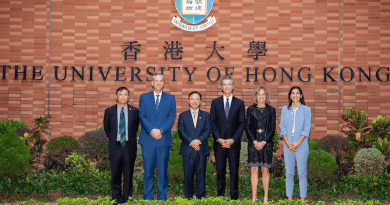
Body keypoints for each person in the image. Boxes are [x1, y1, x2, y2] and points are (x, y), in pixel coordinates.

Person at [138, 73, 176, 201]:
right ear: (152, 83)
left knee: (162, 171)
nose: (158, 83)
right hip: (148, 140)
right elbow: (142, 116)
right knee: (148, 171)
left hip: (163, 139)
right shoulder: (144, 97)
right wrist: (152, 130)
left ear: (163, 83)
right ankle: (148, 197)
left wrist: (160, 130)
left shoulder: (170, 98)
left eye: (161, 81)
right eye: (156, 81)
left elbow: (171, 117)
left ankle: (161, 197)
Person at [210, 76, 245, 200]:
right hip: (219, 143)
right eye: (224, 84)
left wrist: (233, 139)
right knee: (220, 171)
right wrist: (219, 139)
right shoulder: (215, 102)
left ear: (233, 86)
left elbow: (242, 123)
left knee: (234, 172)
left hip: (233, 144)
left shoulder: (239, 103)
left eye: (229, 84)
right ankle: (220, 196)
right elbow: (212, 123)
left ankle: (234, 198)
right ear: (221, 87)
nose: (227, 86)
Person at [103, 87, 139, 204]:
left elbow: (135, 128)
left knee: (128, 173)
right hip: (116, 146)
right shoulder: (109, 111)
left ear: (129, 97)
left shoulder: (134, 111)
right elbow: (107, 129)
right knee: (115, 172)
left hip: (129, 146)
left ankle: (127, 197)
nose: (123, 97)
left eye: (125, 95)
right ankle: (116, 197)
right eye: (120, 94)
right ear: (116, 97)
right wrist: (116, 139)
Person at [178, 91, 211, 200]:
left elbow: (208, 130)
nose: (194, 101)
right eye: (192, 99)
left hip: (201, 149)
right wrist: (192, 142)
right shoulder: (183, 115)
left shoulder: (206, 115)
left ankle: (200, 197)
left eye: (197, 99)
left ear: (200, 101)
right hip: (188, 149)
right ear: (188, 101)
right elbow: (181, 131)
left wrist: (198, 141)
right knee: (188, 175)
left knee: (201, 175)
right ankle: (188, 197)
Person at [280, 86, 311, 202]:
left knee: (302, 173)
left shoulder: (307, 110)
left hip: (301, 145)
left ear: (301, 95)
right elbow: (282, 127)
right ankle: (290, 199)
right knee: (289, 173)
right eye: (293, 93)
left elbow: (306, 129)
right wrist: (287, 143)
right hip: (288, 145)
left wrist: (297, 143)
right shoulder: (284, 109)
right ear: (290, 96)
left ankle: (302, 200)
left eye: (297, 93)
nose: (295, 95)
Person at [245, 86, 276, 204]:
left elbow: (272, 128)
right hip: (253, 143)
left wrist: (263, 142)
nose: (261, 97)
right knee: (253, 169)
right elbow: (247, 127)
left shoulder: (271, 110)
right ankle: (254, 197)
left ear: (266, 96)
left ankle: (266, 197)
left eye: (263, 94)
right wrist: (254, 141)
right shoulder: (250, 109)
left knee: (265, 170)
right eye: (259, 94)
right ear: (255, 96)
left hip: (266, 143)